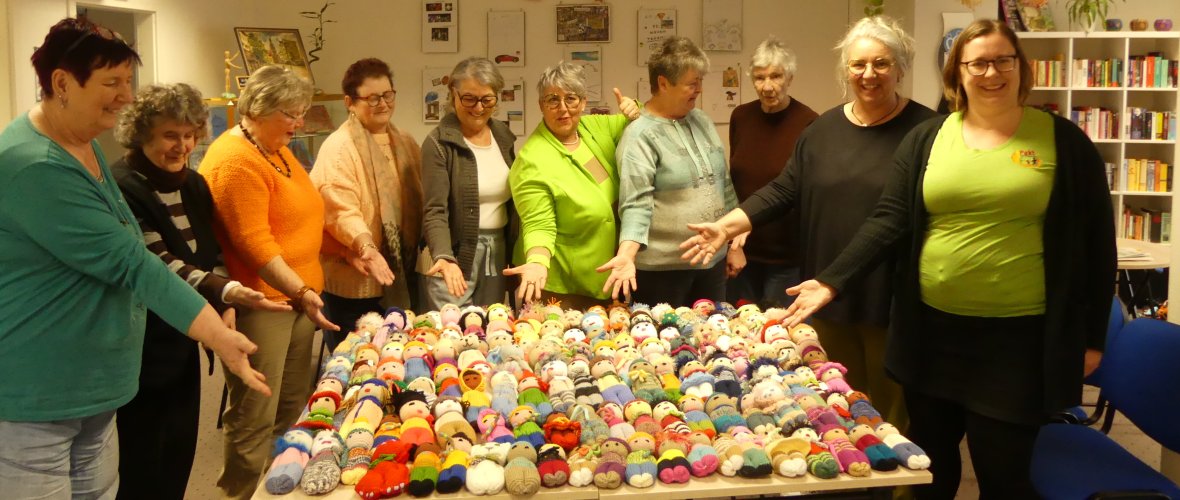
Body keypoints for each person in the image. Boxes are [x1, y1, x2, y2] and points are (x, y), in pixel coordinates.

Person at [780, 19, 1115, 497]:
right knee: (928, 469)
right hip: (932, 335)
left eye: (1003, 59)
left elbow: (1098, 246)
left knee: (1002, 472)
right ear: (958, 72)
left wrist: (1092, 337)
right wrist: (832, 280)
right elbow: (889, 219)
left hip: (1016, 341)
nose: (991, 72)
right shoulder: (929, 138)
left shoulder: (1063, 141)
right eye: (977, 62)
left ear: (1022, 68)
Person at [0, 18, 268, 498]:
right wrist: (220, 335)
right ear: (61, 83)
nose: (126, 95)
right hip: (41, 396)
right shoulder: (33, 163)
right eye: (112, 83)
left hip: (96, 388)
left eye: (128, 81)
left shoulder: (82, 146)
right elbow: (131, 260)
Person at [682, 16, 935, 432]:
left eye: (881, 64)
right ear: (845, 69)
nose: (868, 75)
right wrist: (727, 227)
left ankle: (896, 495)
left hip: (892, 299)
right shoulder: (824, 129)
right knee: (841, 404)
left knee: (896, 418)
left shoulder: (926, 130)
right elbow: (784, 189)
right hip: (827, 296)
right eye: (858, 65)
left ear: (901, 67)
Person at [110, 82, 288, 500]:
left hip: (187, 336)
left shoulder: (192, 183)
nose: (183, 145)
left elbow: (211, 251)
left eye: (190, 134)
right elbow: (157, 263)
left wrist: (220, 301)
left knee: (178, 450)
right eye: (172, 135)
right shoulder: (123, 186)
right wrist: (224, 293)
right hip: (141, 343)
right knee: (141, 459)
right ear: (142, 132)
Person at [199, 64, 339, 499]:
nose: (300, 124)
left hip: (298, 301)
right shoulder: (235, 161)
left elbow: (305, 213)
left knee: (289, 412)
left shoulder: (274, 148)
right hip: (265, 306)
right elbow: (255, 245)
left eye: (302, 113)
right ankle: (240, 492)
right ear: (259, 109)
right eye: (291, 114)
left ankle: (277, 488)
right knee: (254, 414)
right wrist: (301, 290)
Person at [599, 36, 737, 306]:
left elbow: (724, 184)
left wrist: (735, 241)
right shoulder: (639, 135)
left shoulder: (702, 120)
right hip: (662, 273)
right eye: (691, 83)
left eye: (700, 81)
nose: (698, 89)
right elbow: (636, 204)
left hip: (712, 264)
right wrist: (627, 253)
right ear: (663, 83)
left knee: (715, 344)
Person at [505, 62, 640, 309]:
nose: (563, 109)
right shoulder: (531, 160)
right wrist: (536, 261)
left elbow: (639, 122)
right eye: (552, 100)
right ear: (541, 106)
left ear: (584, 102)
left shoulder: (595, 128)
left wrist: (635, 110)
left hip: (606, 272)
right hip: (558, 283)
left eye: (571, 99)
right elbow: (539, 223)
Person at [311, 58, 423, 350]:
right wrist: (366, 248)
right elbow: (339, 210)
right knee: (357, 366)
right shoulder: (339, 147)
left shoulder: (406, 143)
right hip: (354, 283)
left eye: (388, 95)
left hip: (399, 278)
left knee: (398, 360)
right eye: (372, 98)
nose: (383, 104)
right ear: (350, 102)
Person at [725, 36, 819, 308]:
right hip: (741, 254)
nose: (767, 86)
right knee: (737, 336)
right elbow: (735, 182)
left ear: (789, 77)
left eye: (776, 76)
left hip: (787, 258)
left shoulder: (809, 122)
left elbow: (804, 191)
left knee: (782, 338)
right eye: (759, 77)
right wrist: (734, 244)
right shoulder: (741, 117)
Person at [421, 57, 517, 309]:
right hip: (455, 253)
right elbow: (434, 211)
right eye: (469, 99)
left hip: (496, 253)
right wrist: (444, 256)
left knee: (490, 328)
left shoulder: (503, 136)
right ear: (453, 94)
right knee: (453, 333)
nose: (478, 108)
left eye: (487, 99)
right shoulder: (438, 144)